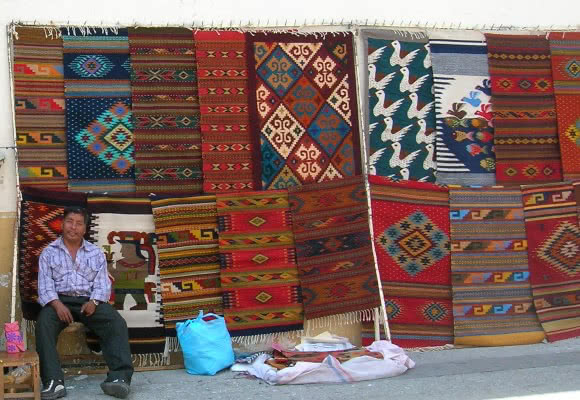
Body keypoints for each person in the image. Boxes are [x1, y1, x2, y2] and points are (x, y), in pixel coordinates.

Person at [36, 206, 134, 399]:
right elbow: (45, 287)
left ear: (85, 229)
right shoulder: (48, 253)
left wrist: (95, 302)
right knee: (44, 324)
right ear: (62, 224)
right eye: (70, 222)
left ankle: (119, 378)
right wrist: (57, 304)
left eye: (79, 223)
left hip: (87, 302)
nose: (73, 227)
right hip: (59, 301)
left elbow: (102, 284)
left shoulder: (95, 253)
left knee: (115, 322)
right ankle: (53, 382)